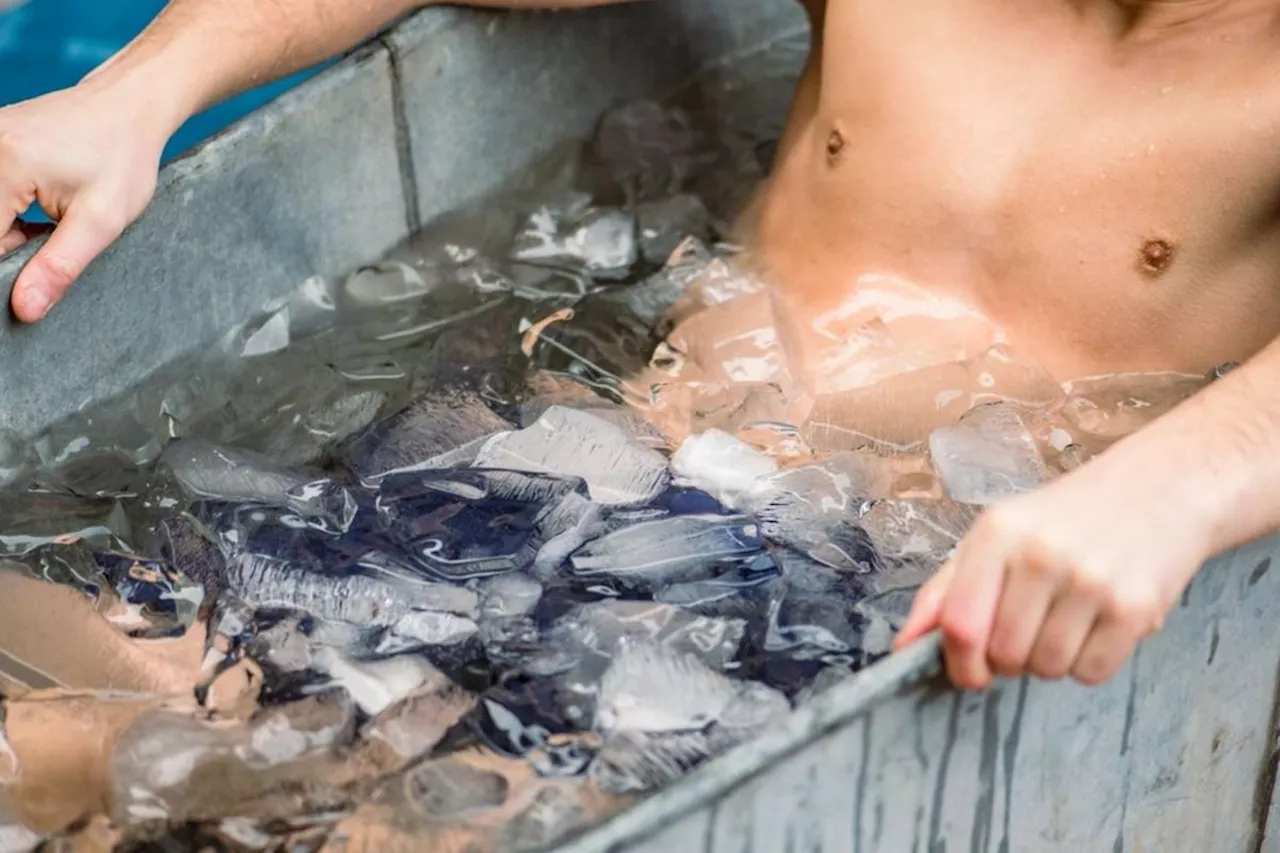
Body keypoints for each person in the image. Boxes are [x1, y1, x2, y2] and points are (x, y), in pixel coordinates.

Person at [3, 0, 1279, 693]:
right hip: (568, 465)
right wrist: (139, 94)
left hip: (882, 597)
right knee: (124, 667)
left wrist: (1164, 490)